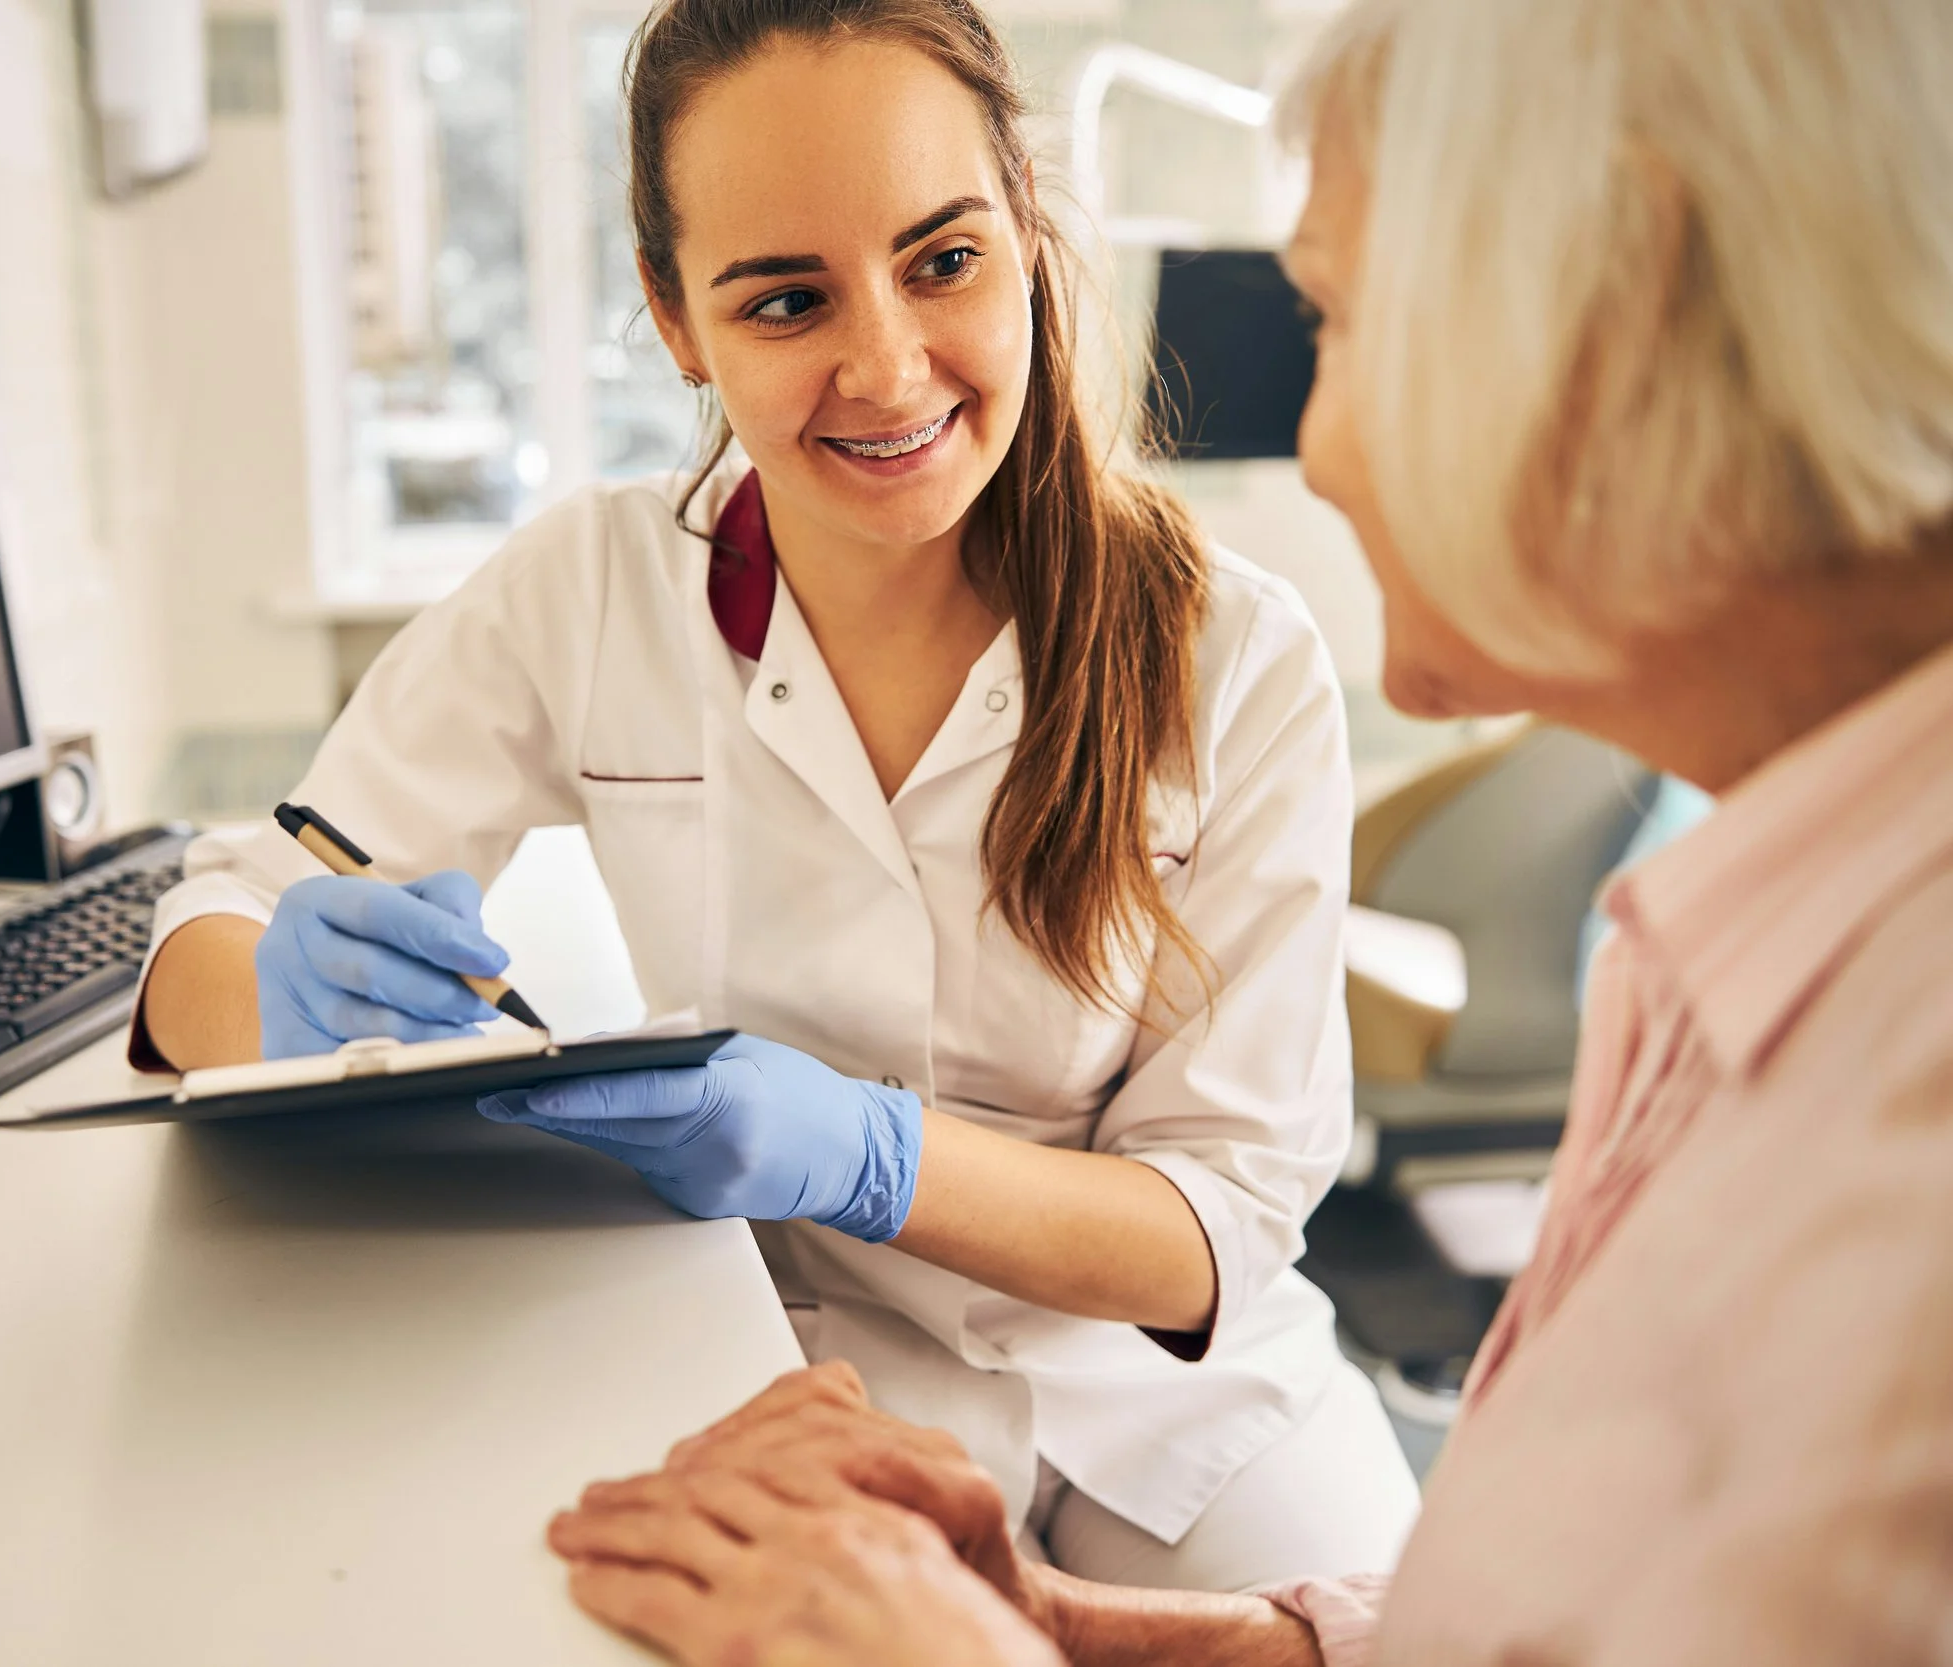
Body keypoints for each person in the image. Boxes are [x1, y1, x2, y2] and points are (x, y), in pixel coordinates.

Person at [542, 0, 1953, 1660]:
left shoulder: (1902, 1152)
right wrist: (1098, 1631)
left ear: (1612, 316)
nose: (1322, 451)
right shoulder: (1743, 958)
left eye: (1332, 322)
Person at [130, 0, 1419, 1592]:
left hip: (1185, 1400)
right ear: (678, 322)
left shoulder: (1235, 655)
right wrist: (276, 990)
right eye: (788, 298)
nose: (885, 368)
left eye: (941, 259)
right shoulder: (592, 592)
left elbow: (1213, 1226)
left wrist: (871, 1153)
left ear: (1024, 229)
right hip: (799, 1365)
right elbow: (211, 925)